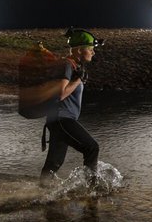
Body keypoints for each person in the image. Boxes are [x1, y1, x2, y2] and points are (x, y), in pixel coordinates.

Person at [40, 28, 103, 186]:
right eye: (90, 49)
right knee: (91, 148)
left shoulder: (73, 66)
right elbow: (59, 94)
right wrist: (78, 81)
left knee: (54, 164)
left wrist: (78, 78)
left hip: (58, 120)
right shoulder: (66, 65)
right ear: (79, 50)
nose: (93, 52)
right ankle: (92, 189)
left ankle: (41, 190)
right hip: (61, 119)